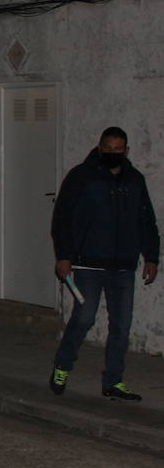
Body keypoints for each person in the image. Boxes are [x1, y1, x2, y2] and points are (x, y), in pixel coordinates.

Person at [50, 127, 159, 401]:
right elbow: (62, 217)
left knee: (121, 325)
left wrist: (152, 256)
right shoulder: (81, 176)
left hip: (123, 265)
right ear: (100, 147)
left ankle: (113, 381)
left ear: (126, 151)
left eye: (118, 149)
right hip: (89, 263)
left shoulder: (134, 180)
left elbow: (146, 220)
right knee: (84, 318)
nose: (112, 153)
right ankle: (62, 366)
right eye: (107, 148)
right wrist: (64, 255)